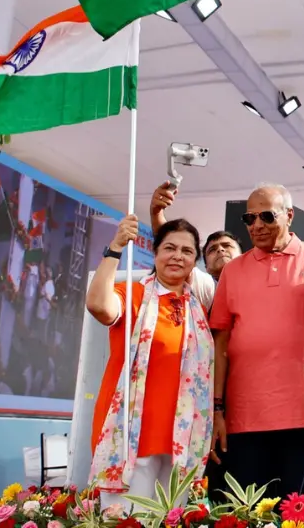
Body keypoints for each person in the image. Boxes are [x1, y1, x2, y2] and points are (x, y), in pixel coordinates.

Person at [210, 184, 304, 498]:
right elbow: (221, 343)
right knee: (247, 515)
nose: (257, 225)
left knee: (300, 514)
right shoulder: (232, 271)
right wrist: (217, 410)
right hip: (243, 418)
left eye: (267, 215)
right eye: (249, 218)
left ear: (289, 215)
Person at [85, 215, 214, 509]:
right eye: (169, 248)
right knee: (128, 520)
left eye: (187, 251)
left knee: (170, 519)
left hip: (181, 444)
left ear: (195, 262)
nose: (177, 256)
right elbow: (98, 306)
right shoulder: (134, 294)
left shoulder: (199, 307)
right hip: (132, 440)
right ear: (155, 254)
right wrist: (115, 247)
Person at [150, 181, 242, 280]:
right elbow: (170, 238)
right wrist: (156, 212)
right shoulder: (205, 288)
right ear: (206, 267)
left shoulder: (260, 278)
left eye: (227, 245)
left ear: (243, 254)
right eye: (212, 250)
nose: (220, 250)